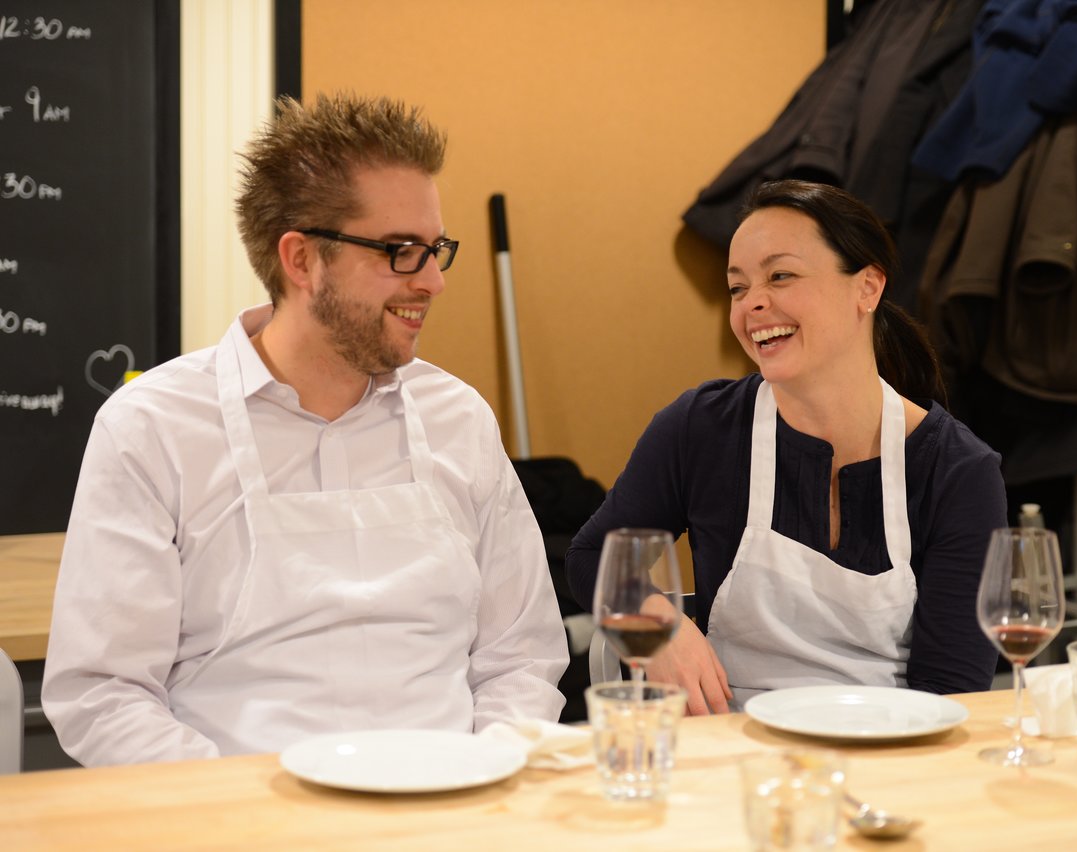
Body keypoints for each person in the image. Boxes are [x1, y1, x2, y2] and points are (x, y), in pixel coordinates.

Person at [43, 93, 570, 766]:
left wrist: (476, 776)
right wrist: (246, 818)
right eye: (402, 252)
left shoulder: (458, 419)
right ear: (300, 260)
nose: (434, 282)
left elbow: (520, 659)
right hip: (236, 822)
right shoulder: (153, 429)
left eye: (436, 249)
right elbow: (104, 693)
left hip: (448, 810)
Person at [566, 180, 1005, 714]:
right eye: (737, 287)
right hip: (729, 747)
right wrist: (658, 620)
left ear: (867, 288)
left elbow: (951, 691)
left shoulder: (957, 470)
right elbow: (592, 556)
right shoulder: (701, 428)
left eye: (781, 275)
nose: (753, 303)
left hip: (888, 752)